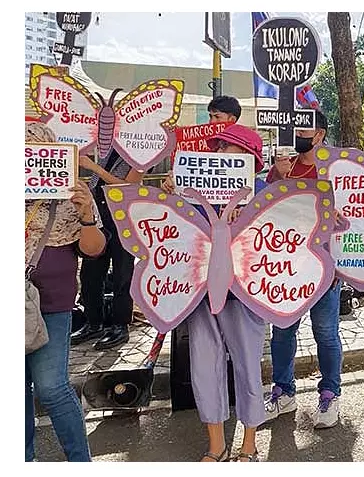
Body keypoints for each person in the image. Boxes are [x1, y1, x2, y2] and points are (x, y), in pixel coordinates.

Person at [161, 124, 267, 462]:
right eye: (218, 148)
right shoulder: (193, 192)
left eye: (229, 149)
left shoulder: (264, 193)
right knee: (204, 366)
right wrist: (171, 195)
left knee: (248, 364)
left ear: (250, 159)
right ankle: (216, 445)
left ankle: (249, 443)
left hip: (246, 298)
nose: (220, 154)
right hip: (200, 295)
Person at [25, 121, 107, 461]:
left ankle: (79, 460)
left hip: (53, 305)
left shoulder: (72, 193)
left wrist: (87, 213)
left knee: (52, 386)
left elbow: (94, 250)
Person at [262, 110, 344, 429]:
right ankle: (283, 392)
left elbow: (348, 217)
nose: (297, 132)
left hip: (325, 266)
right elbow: (267, 210)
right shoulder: (283, 167)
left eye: (304, 128)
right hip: (286, 265)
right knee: (282, 332)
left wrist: (342, 263)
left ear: (320, 135)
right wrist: (280, 177)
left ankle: (330, 394)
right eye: (294, 127)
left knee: (326, 333)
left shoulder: (334, 170)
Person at [72, 145, 144, 350]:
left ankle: (120, 326)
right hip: (98, 213)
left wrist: (93, 167)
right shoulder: (106, 148)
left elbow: (130, 186)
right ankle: (93, 322)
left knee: (123, 273)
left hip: (123, 217)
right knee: (90, 272)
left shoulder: (142, 150)